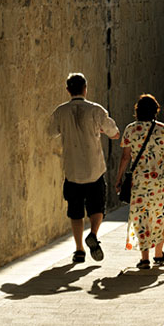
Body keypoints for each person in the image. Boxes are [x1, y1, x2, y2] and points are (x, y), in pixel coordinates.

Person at [48, 73, 120, 263]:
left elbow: (50, 132)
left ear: (67, 90)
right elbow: (114, 133)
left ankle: (79, 249)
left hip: (72, 170)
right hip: (94, 168)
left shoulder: (60, 111)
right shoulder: (96, 110)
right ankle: (94, 235)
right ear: (85, 88)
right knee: (97, 207)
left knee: (75, 211)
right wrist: (102, 131)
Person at [114, 94, 164, 269]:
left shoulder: (130, 129)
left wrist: (119, 178)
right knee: (160, 215)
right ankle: (158, 255)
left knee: (141, 216)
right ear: (155, 111)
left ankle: (144, 258)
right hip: (162, 181)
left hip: (140, 183)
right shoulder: (162, 129)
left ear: (137, 111)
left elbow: (125, 157)